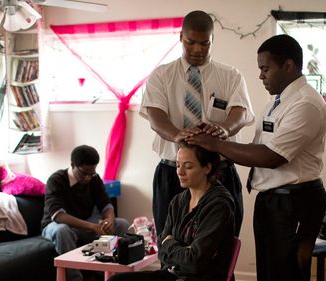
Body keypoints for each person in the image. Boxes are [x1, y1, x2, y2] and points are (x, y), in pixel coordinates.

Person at [187, 34, 326, 281]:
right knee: (269, 272)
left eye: (265, 69)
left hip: (295, 202)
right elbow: (257, 148)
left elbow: (271, 157)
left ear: (288, 65)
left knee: (287, 273)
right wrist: (213, 148)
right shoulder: (278, 101)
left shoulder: (306, 104)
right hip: (272, 201)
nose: (261, 75)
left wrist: (216, 144)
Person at [140, 10, 254, 236]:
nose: (197, 49)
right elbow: (155, 115)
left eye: (205, 44)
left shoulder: (230, 76)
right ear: (181, 37)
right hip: (174, 172)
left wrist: (225, 129)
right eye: (191, 42)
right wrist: (176, 135)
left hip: (218, 173)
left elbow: (240, 112)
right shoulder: (161, 75)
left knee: (223, 244)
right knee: (170, 241)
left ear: (213, 41)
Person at [108, 141, 235, 281]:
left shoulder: (219, 204)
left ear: (207, 168)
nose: (180, 172)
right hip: (173, 274)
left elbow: (195, 262)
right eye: (178, 165)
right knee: (117, 280)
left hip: (202, 278)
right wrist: (179, 250)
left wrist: (170, 243)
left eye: (188, 166)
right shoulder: (178, 201)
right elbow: (161, 252)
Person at [42, 145, 129, 281]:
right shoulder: (57, 180)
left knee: (121, 224)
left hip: (85, 223)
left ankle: (109, 273)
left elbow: (106, 204)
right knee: (62, 231)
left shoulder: (94, 179)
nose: (88, 177)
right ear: (73, 165)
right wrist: (92, 227)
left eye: (92, 173)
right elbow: (58, 216)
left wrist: (109, 220)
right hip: (55, 225)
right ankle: (75, 279)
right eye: (84, 173)